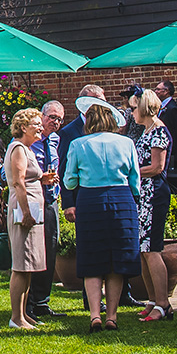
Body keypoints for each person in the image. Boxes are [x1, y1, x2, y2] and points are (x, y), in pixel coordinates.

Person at [63, 95, 141, 331]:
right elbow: (135, 179)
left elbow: (69, 180)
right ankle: (112, 316)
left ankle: (95, 315)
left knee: (92, 257)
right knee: (117, 259)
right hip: (121, 199)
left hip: (90, 200)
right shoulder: (126, 143)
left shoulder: (79, 144)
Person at [129, 89, 175, 321]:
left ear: (144, 108)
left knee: (152, 248)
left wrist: (131, 173)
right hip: (143, 195)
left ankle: (163, 303)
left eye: (134, 107)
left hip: (154, 195)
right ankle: (152, 299)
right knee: (143, 250)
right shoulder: (147, 131)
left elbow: (157, 167)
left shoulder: (159, 131)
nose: (132, 112)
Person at [4, 107, 50, 329]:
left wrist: (43, 178)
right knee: (21, 265)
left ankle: (24, 314)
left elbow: (30, 177)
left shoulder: (28, 149)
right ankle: (16, 317)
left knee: (29, 264)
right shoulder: (19, 149)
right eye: (36, 124)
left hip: (32, 209)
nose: (41, 127)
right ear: (23, 127)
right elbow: (18, 182)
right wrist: (27, 213)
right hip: (24, 210)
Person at [25, 100, 65, 319]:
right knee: (32, 252)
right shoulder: (30, 141)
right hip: (33, 201)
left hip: (50, 201)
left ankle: (42, 301)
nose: (55, 122)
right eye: (52, 117)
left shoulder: (56, 140)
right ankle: (28, 302)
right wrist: (41, 178)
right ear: (42, 115)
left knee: (50, 250)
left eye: (59, 119)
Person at [156, 79, 177, 162]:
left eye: (158, 89)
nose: (156, 91)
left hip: (172, 150)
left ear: (166, 91)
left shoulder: (172, 108)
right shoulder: (162, 106)